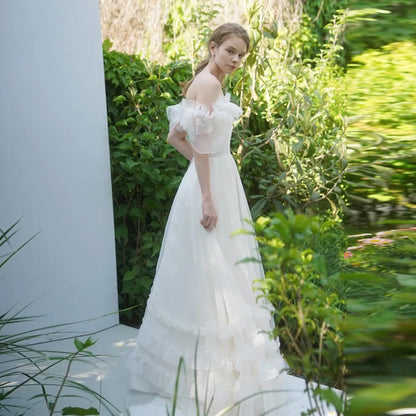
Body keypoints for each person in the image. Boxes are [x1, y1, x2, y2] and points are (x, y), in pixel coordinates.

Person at [129, 23, 309, 416]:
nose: (236, 59)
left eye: (241, 54)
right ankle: (213, 378)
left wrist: (204, 170)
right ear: (213, 47)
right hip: (212, 187)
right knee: (216, 270)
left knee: (214, 268)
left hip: (215, 178)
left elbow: (178, 137)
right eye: (230, 50)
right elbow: (201, 144)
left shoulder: (207, 81)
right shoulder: (208, 85)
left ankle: (207, 371)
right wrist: (207, 194)